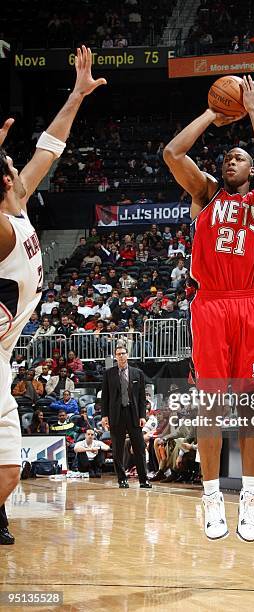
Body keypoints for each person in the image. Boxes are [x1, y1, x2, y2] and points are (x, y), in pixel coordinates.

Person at [163, 75, 254, 542]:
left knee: (251, 409)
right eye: (226, 157)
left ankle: (250, 495)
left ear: (249, 171)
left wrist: (251, 110)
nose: (229, 160)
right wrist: (214, 112)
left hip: (247, 305)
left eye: (238, 158)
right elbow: (173, 154)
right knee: (210, 408)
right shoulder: (205, 194)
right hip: (209, 304)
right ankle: (211, 496)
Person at [0, 47, 105, 542]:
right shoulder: (2, 227)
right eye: (8, 162)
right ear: (5, 179)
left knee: (7, 475)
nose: (20, 165)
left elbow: (50, 146)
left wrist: (77, 94)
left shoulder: (18, 202)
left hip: (3, 354)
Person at [101, 344, 152, 489]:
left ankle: (144, 480)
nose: (121, 356)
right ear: (115, 357)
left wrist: (143, 416)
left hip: (134, 413)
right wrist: (104, 415)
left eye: (123, 353)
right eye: (118, 354)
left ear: (127, 355)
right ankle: (122, 479)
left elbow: (142, 397)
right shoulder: (109, 373)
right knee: (117, 449)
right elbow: (105, 397)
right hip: (116, 414)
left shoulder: (137, 373)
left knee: (139, 448)